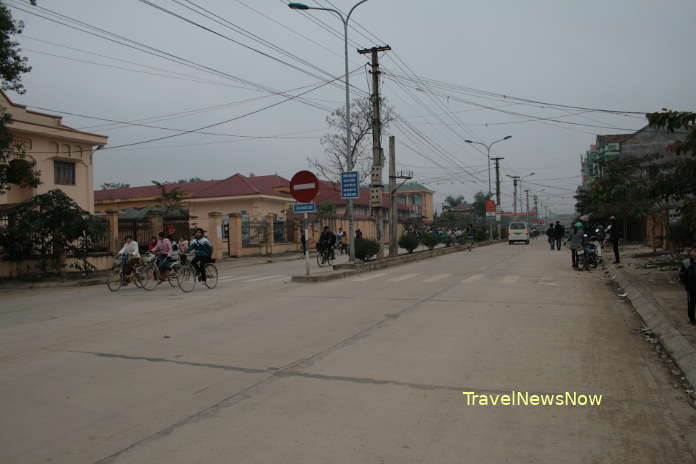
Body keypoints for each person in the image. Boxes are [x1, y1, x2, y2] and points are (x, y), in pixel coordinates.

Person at [679, 246, 696, 325]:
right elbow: (682, 275)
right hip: (691, 287)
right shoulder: (686, 263)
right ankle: (691, 318)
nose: (695, 253)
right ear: (691, 252)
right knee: (691, 303)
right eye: (694, 251)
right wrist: (686, 284)